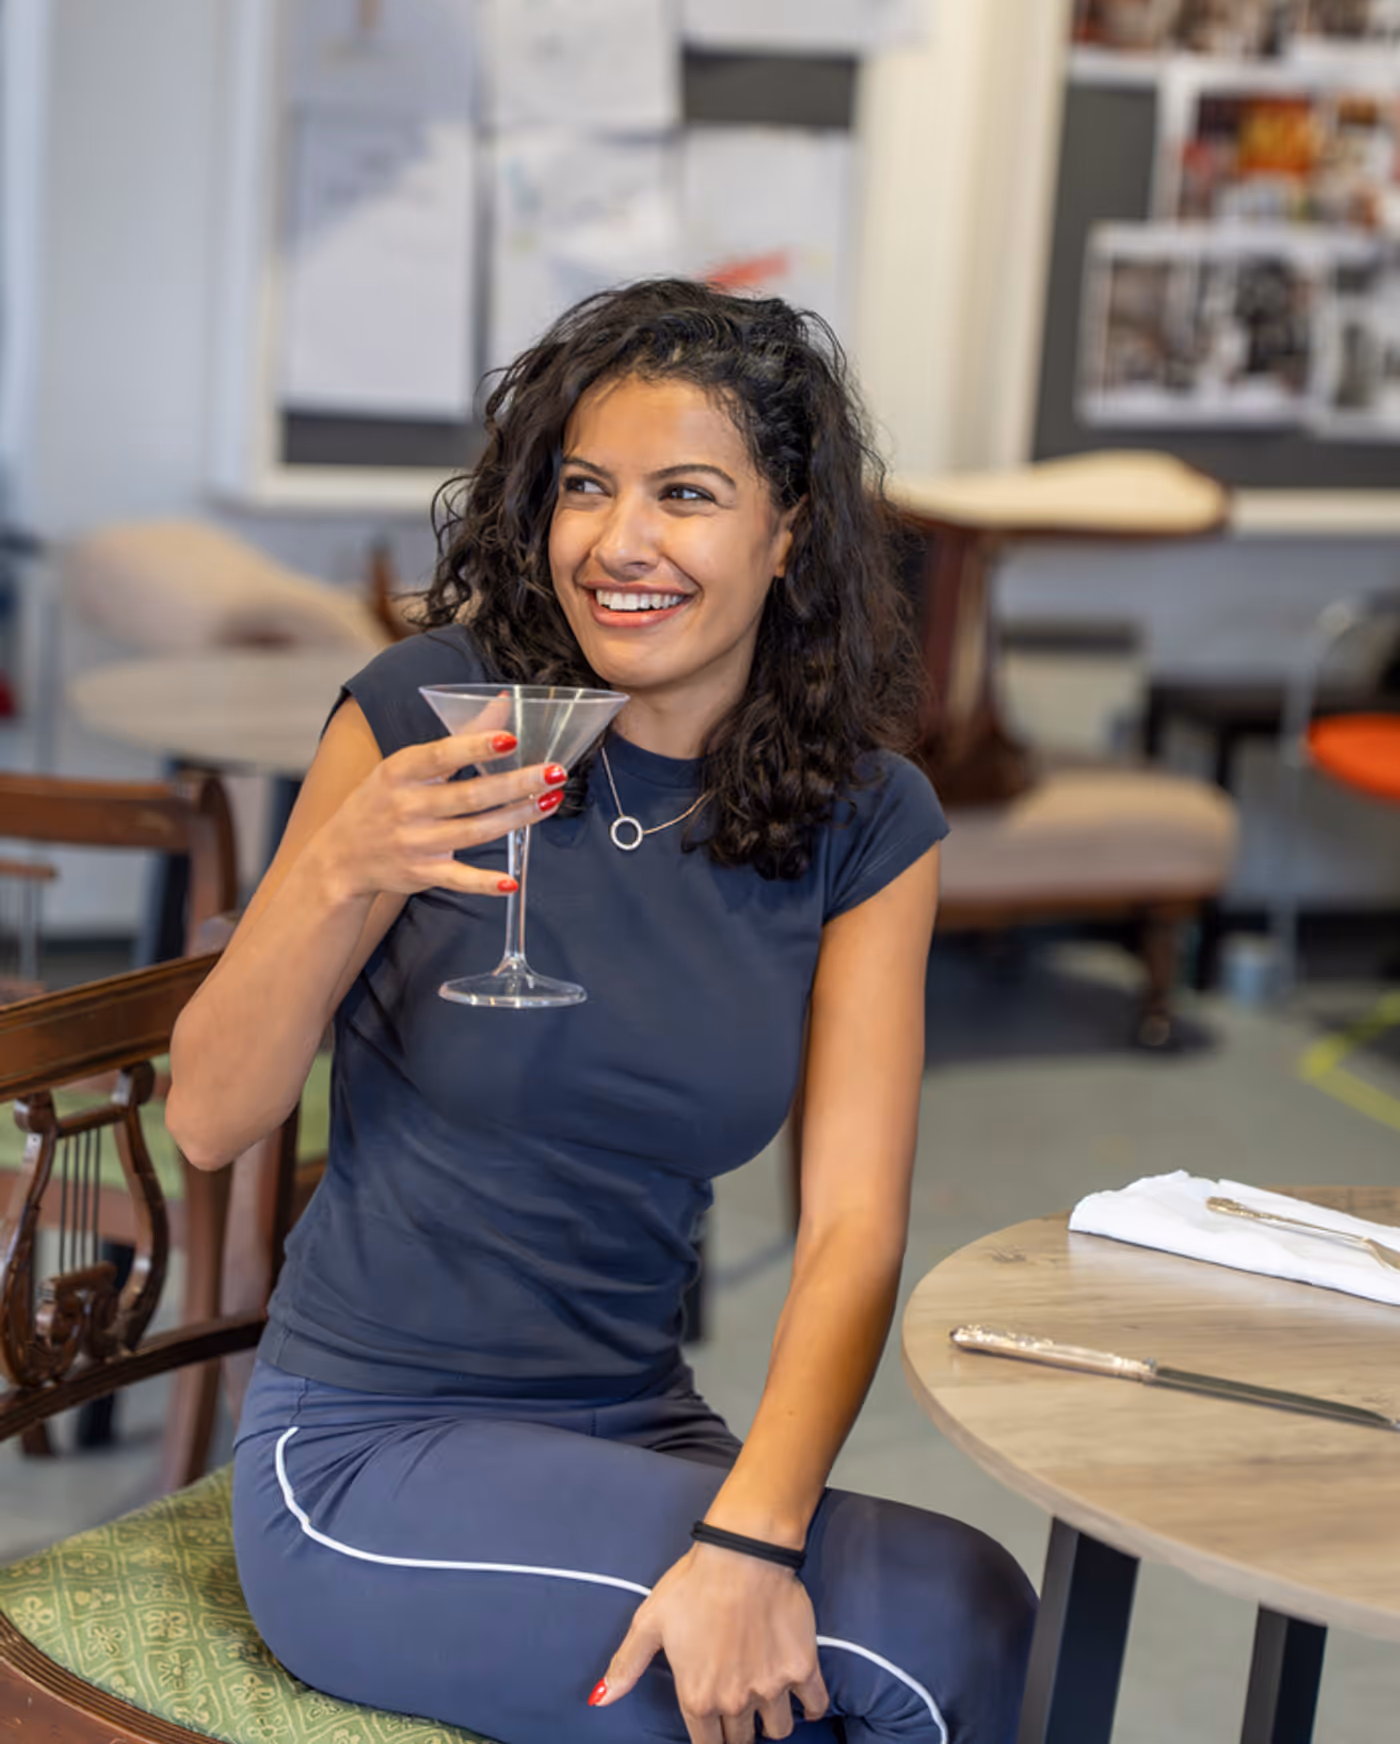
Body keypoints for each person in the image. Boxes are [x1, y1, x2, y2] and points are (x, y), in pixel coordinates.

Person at [168, 280, 1035, 1744]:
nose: (617, 544)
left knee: (984, 1610)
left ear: (791, 531)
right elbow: (209, 1117)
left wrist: (755, 1537)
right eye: (585, 488)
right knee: (908, 1659)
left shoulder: (866, 822)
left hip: (636, 1422)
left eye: (686, 494)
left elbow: (849, 1232)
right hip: (372, 1449)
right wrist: (340, 871)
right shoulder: (432, 715)